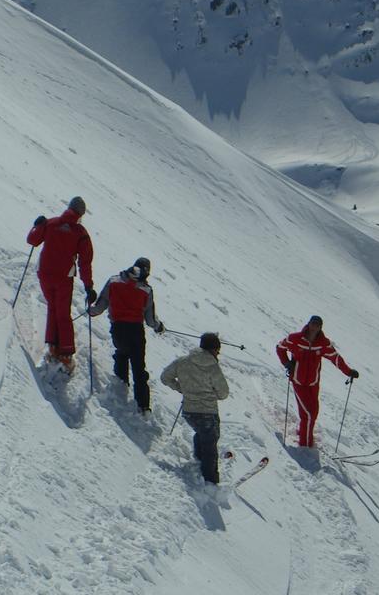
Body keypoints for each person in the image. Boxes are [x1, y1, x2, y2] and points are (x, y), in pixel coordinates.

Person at [26, 197, 95, 371]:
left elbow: (32, 240)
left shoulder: (50, 223)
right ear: (80, 214)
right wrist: (88, 286)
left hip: (45, 274)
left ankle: (52, 346)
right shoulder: (80, 233)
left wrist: (37, 225)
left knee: (52, 308)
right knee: (63, 312)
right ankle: (65, 353)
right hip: (63, 278)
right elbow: (85, 262)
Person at [89, 257, 165, 413]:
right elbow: (150, 319)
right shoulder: (146, 290)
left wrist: (90, 310)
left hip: (117, 328)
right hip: (136, 331)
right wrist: (158, 327)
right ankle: (143, 406)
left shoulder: (114, 281)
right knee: (138, 367)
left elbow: (101, 304)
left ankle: (121, 386)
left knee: (122, 354)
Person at [276, 315, 358, 448]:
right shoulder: (295, 339)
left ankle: (303, 432)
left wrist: (348, 372)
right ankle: (305, 445)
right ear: (308, 324)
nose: (314, 327)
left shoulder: (323, 343)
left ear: (320, 328)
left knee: (313, 412)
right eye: (313, 324)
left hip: (313, 383)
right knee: (307, 414)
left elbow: (335, 358)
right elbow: (280, 348)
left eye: (317, 325)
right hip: (298, 381)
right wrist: (286, 363)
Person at [161, 333, 229, 484]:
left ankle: (199, 461)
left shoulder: (182, 361)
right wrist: (211, 395)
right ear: (213, 349)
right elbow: (223, 393)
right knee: (210, 445)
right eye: (218, 350)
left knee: (201, 434)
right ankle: (210, 481)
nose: (218, 354)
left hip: (189, 411)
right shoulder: (212, 367)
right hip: (208, 412)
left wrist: (181, 388)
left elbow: (165, 377)